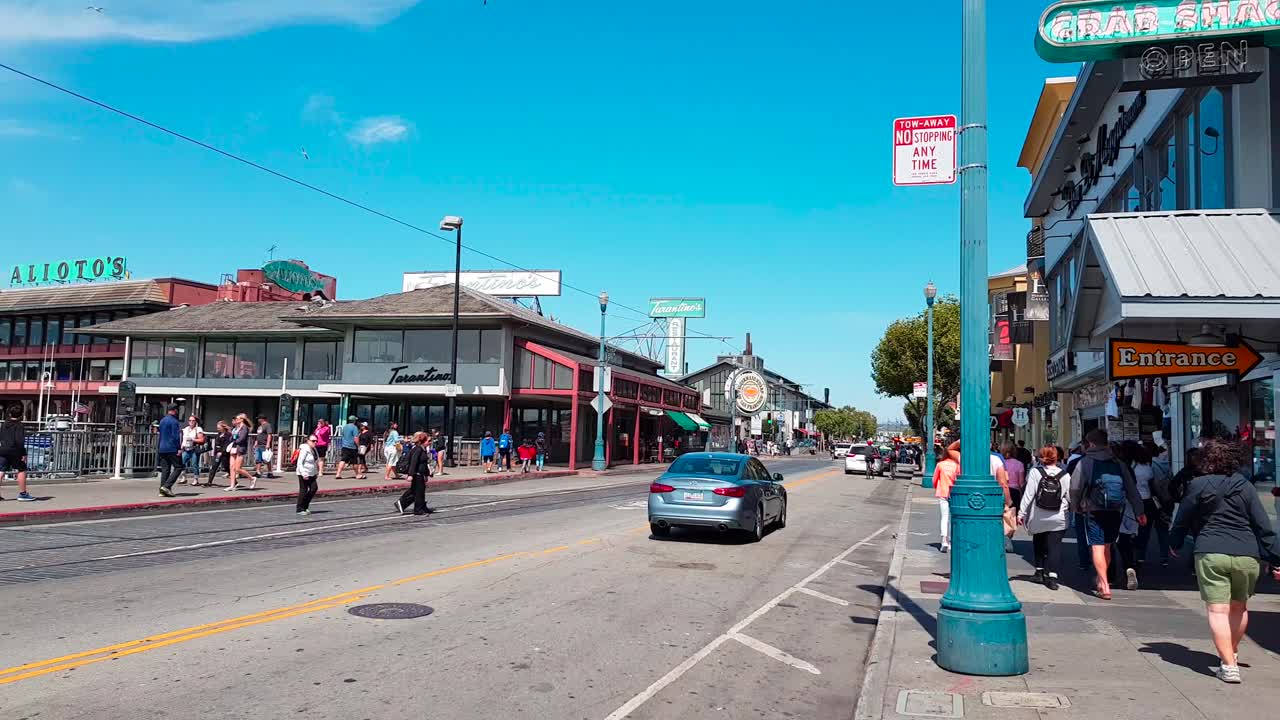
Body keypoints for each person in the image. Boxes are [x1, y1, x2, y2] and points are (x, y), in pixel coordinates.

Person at [1169, 439, 1280, 684]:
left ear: (1204, 461)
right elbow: (1262, 525)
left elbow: (1182, 518)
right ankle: (1231, 652)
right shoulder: (1246, 486)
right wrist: (1276, 558)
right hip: (1247, 553)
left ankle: (1229, 665)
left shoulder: (1197, 485)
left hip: (1211, 551)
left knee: (1218, 610)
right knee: (1239, 607)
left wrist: (1174, 543)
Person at [1069, 429, 1146, 600]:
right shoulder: (1118, 463)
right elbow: (1132, 489)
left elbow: (1075, 487)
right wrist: (1139, 511)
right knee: (1108, 546)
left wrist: (1075, 506)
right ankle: (1102, 580)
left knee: (1097, 546)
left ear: (1091, 444)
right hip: (1115, 509)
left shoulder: (1086, 462)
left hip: (1093, 509)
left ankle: (1103, 584)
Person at [1018, 446, 1071, 590]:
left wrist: (1021, 513)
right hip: (1059, 515)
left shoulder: (1036, 472)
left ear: (1041, 458)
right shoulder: (1064, 475)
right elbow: (1069, 497)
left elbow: (1029, 494)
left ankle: (1039, 571)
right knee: (1055, 547)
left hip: (1039, 514)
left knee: (1039, 542)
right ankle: (1052, 577)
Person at [1129, 442, 1170, 569]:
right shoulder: (1162, 465)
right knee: (1162, 529)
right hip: (1157, 500)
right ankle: (1164, 556)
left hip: (1142, 500)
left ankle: (1140, 556)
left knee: (1143, 530)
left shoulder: (1136, 468)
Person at [395, 432, 434, 516]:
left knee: (418, 491)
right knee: (418, 492)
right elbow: (414, 462)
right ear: (423, 441)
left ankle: (420, 506)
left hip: (421, 474)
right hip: (417, 474)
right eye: (429, 440)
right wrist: (410, 475)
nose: (430, 442)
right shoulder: (417, 449)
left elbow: (424, 463)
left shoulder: (423, 449)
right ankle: (418, 509)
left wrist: (426, 474)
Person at [0, 406, 34, 501]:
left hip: (3, 449)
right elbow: (19, 441)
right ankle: (23, 494)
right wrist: (23, 453)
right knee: (21, 469)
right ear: (21, 415)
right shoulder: (19, 425)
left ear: (9, 414)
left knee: (1, 470)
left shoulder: (4, 424)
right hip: (15, 450)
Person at [932, 446, 958, 553]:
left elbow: (934, 479)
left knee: (944, 517)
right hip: (954, 493)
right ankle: (951, 541)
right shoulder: (956, 465)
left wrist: (937, 486)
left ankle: (944, 540)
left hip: (942, 492)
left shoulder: (940, 465)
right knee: (954, 517)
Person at [156, 404, 184, 497]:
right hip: (172, 448)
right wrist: (179, 448)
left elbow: (160, 435)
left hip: (162, 448)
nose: (177, 412)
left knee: (165, 469)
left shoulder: (162, 421)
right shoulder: (174, 421)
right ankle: (167, 486)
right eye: (177, 410)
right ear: (174, 410)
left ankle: (162, 490)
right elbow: (176, 437)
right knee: (178, 467)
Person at [226, 413, 256, 491]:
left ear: (242, 419)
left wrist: (234, 441)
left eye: (237, 418)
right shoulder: (235, 428)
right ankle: (232, 485)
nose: (236, 420)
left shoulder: (244, 428)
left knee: (237, 468)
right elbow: (231, 437)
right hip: (233, 448)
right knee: (232, 467)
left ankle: (252, 478)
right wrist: (232, 439)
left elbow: (242, 439)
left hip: (240, 448)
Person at [295, 434, 320, 516]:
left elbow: (315, 462)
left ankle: (305, 506)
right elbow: (300, 462)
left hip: (312, 473)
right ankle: (299, 509)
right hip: (304, 473)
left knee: (314, 488)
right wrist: (303, 473)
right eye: (313, 441)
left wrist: (316, 472)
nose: (315, 442)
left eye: (316, 441)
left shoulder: (314, 450)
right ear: (308, 441)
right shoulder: (304, 449)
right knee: (303, 490)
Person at [179, 415, 206, 483]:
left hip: (194, 448)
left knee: (194, 464)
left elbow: (202, 439)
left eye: (193, 420)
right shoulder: (186, 429)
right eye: (190, 420)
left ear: (196, 422)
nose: (191, 422)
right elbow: (184, 439)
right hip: (186, 448)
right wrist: (181, 447)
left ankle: (196, 479)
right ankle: (184, 477)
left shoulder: (198, 429)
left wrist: (193, 439)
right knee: (181, 463)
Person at [205, 420, 232, 487]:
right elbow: (217, 443)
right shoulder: (219, 434)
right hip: (217, 453)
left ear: (223, 427)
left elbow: (227, 444)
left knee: (226, 468)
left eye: (219, 427)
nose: (218, 428)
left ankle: (234, 481)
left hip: (224, 454)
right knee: (213, 467)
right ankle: (209, 482)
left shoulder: (228, 434)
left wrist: (222, 451)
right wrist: (218, 450)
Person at [335, 415, 360, 480]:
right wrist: (358, 445)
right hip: (352, 446)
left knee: (343, 460)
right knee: (355, 461)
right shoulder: (354, 427)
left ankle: (338, 473)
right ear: (354, 421)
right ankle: (357, 474)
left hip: (345, 446)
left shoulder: (345, 427)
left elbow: (343, 435)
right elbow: (356, 438)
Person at [1002, 441, 1026, 509]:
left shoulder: (1000, 463)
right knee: (1014, 514)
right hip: (1015, 491)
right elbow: (1021, 483)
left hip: (1002, 491)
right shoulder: (1019, 464)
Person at [254, 415, 276, 480]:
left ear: (263, 419)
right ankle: (258, 472)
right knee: (258, 459)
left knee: (266, 459)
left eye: (259, 419)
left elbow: (269, 435)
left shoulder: (267, 425)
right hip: (259, 445)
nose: (258, 420)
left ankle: (270, 472)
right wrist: (256, 442)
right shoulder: (259, 427)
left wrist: (268, 443)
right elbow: (258, 435)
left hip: (264, 444)